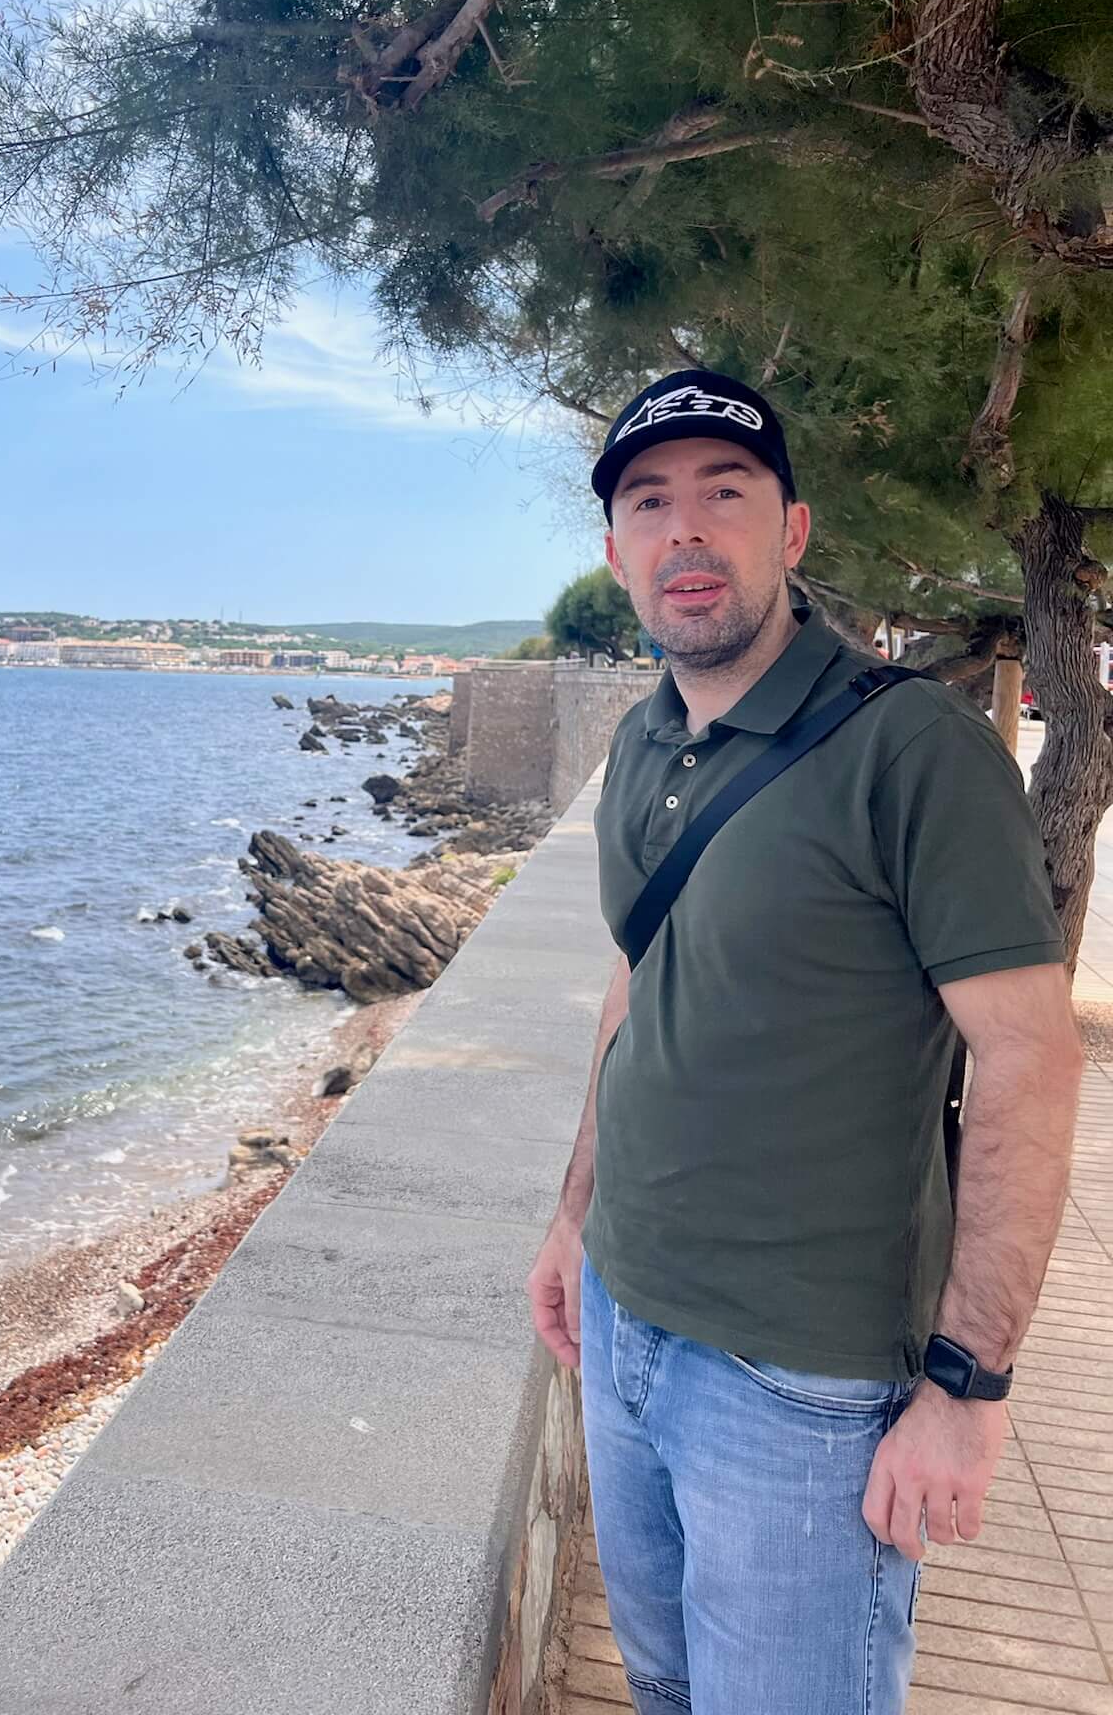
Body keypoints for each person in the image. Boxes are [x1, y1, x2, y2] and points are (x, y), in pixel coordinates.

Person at [525, 370, 1084, 1715]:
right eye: (649, 503)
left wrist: (968, 1389)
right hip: (626, 1314)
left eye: (726, 492)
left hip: (803, 1380)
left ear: (793, 531)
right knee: (664, 1688)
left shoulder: (915, 751)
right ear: (617, 550)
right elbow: (638, 985)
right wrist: (575, 1217)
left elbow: (1029, 1059)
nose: (686, 529)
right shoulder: (646, 739)